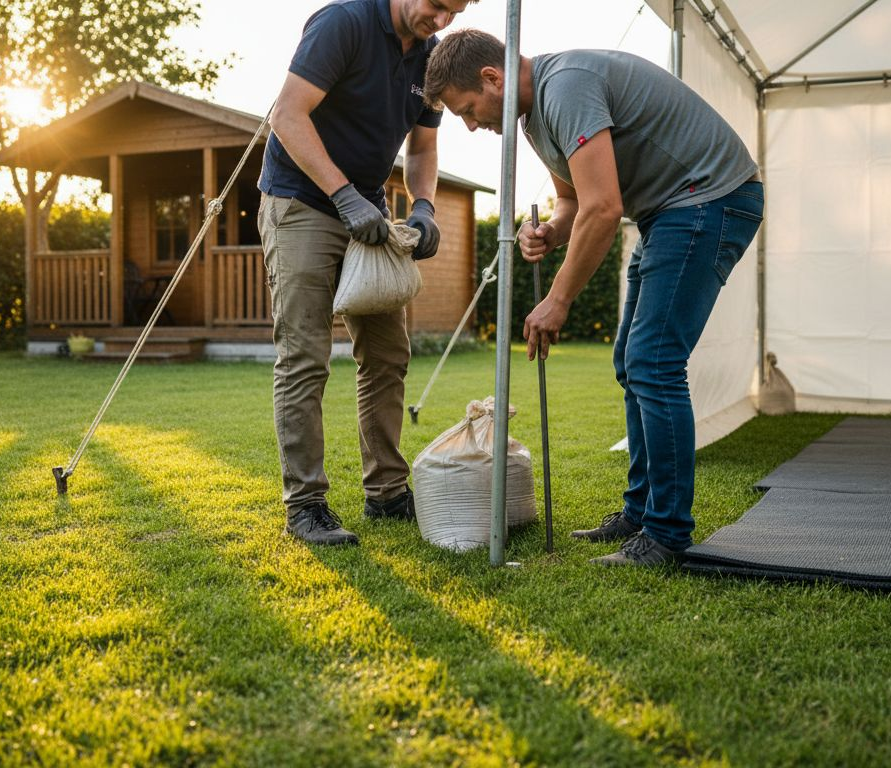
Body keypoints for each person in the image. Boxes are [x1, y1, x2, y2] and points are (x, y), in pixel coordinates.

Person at [425, 30, 763, 566]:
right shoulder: (535, 118)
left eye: (468, 110)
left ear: (492, 78)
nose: (471, 125)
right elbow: (573, 201)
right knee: (632, 362)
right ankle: (640, 512)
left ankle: (668, 535)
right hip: (669, 212)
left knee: (654, 361)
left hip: (710, 197)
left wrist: (559, 299)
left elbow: (604, 209)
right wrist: (552, 234)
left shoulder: (565, 88)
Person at [259, 0, 476, 546]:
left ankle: (387, 492)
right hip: (301, 203)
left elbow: (422, 145)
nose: (442, 21)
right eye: (436, 6)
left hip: (370, 212)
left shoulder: (431, 59)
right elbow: (287, 114)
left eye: (455, 12)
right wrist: (342, 195)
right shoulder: (344, 24)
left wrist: (423, 206)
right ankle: (305, 506)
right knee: (305, 356)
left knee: (386, 354)